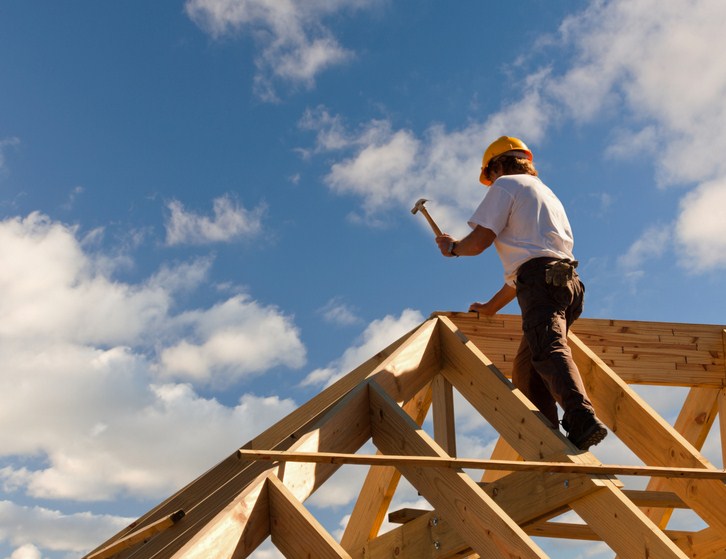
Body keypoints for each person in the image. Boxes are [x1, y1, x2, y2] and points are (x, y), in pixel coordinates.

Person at [435, 136, 607, 451]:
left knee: (548, 349)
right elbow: (523, 274)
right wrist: (490, 308)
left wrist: (454, 248)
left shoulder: (505, 186)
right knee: (527, 370)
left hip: (541, 281)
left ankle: (581, 416)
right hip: (567, 283)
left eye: (491, 174)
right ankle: (548, 441)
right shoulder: (546, 194)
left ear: (497, 166)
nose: (491, 182)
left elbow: (480, 241)